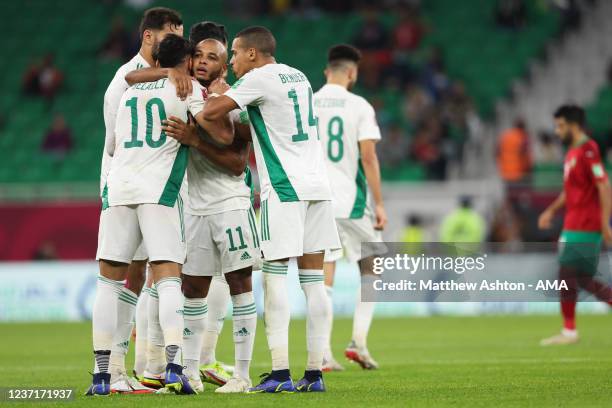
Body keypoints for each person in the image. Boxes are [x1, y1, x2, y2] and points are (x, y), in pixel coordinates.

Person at [88, 34, 234, 396]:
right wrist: (215, 98)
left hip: (119, 190)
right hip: (159, 192)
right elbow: (224, 135)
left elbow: (113, 140)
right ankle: (173, 367)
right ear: (184, 62)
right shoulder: (186, 90)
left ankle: (102, 376)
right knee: (168, 277)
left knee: (108, 283)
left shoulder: (127, 93)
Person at [203, 26, 341, 393]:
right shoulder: (298, 76)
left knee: (274, 276)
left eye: (234, 53)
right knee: (314, 284)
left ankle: (280, 372)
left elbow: (213, 113)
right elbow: (268, 124)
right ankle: (314, 374)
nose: (230, 61)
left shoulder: (259, 78)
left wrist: (216, 92)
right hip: (318, 187)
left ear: (252, 53)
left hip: (285, 188)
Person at [127, 21, 259, 393]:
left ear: (223, 66)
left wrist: (194, 138)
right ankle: (188, 370)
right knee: (193, 290)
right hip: (194, 207)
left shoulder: (230, 99)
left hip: (229, 203)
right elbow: (133, 77)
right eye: (197, 55)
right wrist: (169, 70)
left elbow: (236, 164)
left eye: (213, 57)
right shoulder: (180, 88)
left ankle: (243, 375)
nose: (202, 62)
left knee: (239, 283)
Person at [95, 7, 184, 394]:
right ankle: (118, 368)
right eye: (170, 34)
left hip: (126, 187)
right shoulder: (122, 79)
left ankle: (116, 370)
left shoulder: (136, 79)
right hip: (135, 183)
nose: (177, 42)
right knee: (143, 275)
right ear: (149, 37)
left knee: (132, 277)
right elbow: (111, 144)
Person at [313, 44, 387, 372]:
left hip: (316, 199)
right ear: (352, 73)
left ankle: (323, 355)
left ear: (327, 71)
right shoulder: (359, 105)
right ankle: (358, 341)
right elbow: (368, 156)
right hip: (351, 200)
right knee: (373, 266)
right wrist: (380, 203)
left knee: (323, 278)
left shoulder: (307, 102)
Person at [538, 105, 612, 346]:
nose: (557, 132)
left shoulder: (588, 150)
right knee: (581, 278)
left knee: (566, 274)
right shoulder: (572, 152)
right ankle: (569, 330)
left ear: (574, 125)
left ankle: (569, 332)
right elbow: (570, 191)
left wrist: (604, 225)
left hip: (585, 225)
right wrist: (551, 209)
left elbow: (603, 186)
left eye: (560, 126)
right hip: (573, 224)